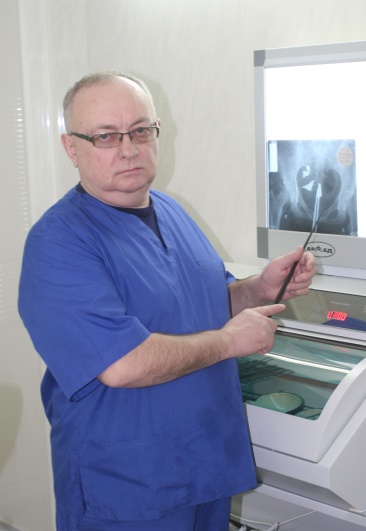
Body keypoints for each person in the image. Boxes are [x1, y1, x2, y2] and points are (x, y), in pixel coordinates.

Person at [17, 71, 316, 530]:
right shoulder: (59, 242)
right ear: (71, 148)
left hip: (204, 464)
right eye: (106, 136)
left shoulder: (172, 211)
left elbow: (201, 305)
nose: (128, 149)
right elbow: (121, 364)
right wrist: (229, 342)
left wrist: (257, 288)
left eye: (141, 130)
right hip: (127, 486)